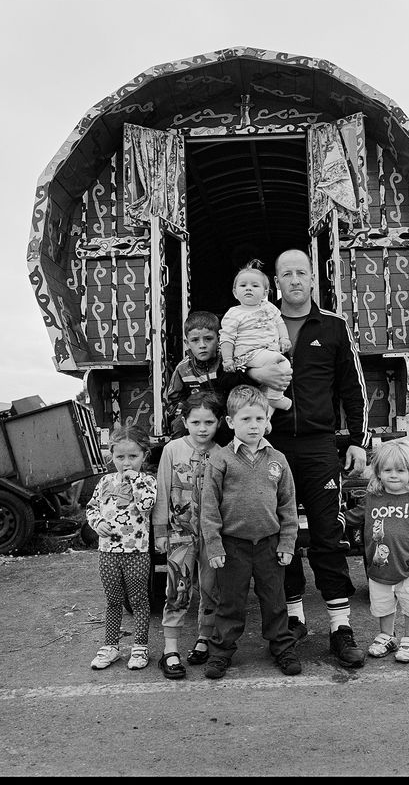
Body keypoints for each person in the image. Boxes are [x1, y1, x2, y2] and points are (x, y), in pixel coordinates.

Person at [252, 248, 369, 668]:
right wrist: (254, 374)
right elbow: (228, 371)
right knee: (279, 534)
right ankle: (295, 619)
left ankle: (340, 628)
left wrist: (357, 440)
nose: (295, 280)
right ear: (276, 283)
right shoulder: (259, 325)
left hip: (321, 446)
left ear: (313, 279)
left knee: (326, 535)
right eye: (287, 274)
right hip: (271, 445)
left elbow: (353, 388)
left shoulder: (334, 327)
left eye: (302, 272)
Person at [199, 385, 301, 680]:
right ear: (230, 422)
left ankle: (282, 646)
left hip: (269, 544)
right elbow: (209, 507)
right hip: (233, 546)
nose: (254, 425)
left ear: (267, 419)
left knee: (274, 600)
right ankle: (221, 653)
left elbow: (288, 505)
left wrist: (287, 541)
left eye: (259, 418)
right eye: (246, 419)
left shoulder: (277, 459)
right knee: (230, 602)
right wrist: (215, 546)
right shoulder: (221, 460)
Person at [152, 391, 223, 680]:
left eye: (209, 422)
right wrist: (160, 531)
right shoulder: (172, 450)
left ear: (219, 422)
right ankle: (170, 650)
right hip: (179, 533)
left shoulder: (223, 453)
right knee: (177, 589)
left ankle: (204, 639)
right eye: (196, 422)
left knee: (210, 588)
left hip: (211, 536)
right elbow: (161, 490)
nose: (202, 428)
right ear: (185, 421)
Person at [346, 438, 409, 663]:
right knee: (383, 603)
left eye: (400, 470)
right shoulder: (372, 499)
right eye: (387, 470)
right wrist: (334, 519)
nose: (393, 475)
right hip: (379, 567)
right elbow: (354, 516)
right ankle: (387, 635)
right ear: (377, 472)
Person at [85, 424, 157, 671]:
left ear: (144, 456)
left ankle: (140, 646)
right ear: (111, 456)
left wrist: (135, 480)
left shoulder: (147, 481)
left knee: (139, 600)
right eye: (120, 457)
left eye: (133, 457)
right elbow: (92, 507)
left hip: (136, 552)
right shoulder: (105, 481)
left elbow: (147, 505)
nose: (126, 463)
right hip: (107, 553)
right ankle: (111, 646)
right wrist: (98, 523)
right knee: (113, 600)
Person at [219, 259, 293, 420]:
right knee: (283, 363)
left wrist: (284, 338)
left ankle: (267, 418)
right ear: (234, 292)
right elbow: (227, 338)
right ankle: (275, 398)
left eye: (255, 286)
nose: (248, 289)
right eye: (243, 285)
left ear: (265, 293)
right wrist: (227, 360)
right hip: (249, 354)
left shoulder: (269, 308)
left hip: (267, 352)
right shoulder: (234, 313)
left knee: (269, 383)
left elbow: (279, 322)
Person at [164, 311, 245, 442]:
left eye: (208, 339)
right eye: (195, 340)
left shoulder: (227, 362)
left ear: (219, 338)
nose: (202, 345)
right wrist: (188, 409)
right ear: (187, 342)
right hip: (197, 414)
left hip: (225, 413)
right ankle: (181, 459)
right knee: (179, 424)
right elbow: (174, 399)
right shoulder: (183, 369)